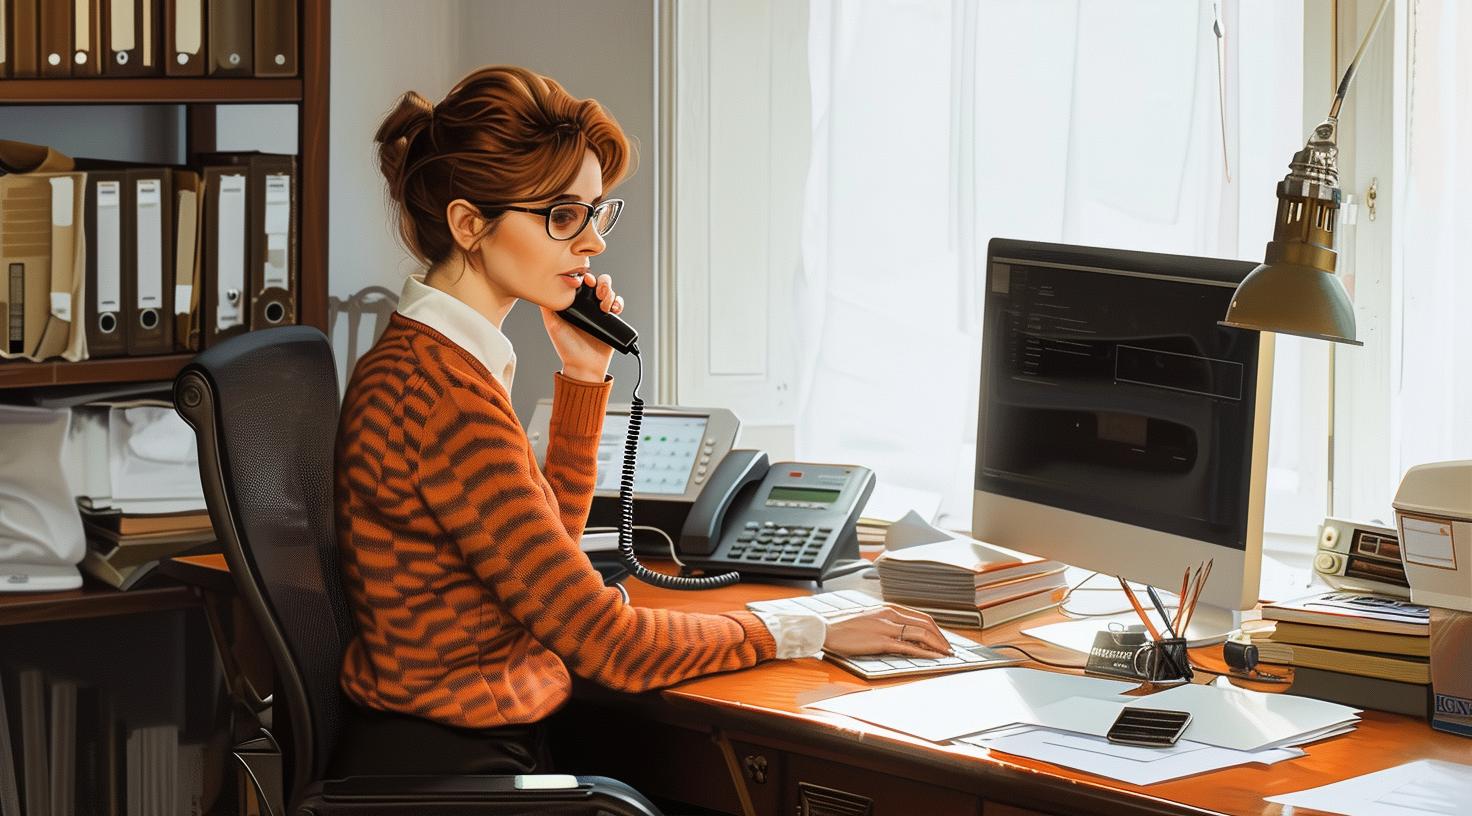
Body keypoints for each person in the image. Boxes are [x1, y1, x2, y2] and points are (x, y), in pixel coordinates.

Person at [330, 65, 950, 777]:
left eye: (596, 213)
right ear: (470, 224)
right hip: (455, 764)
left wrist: (583, 375)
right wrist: (810, 627)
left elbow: (549, 567)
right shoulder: (442, 395)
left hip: (467, 741)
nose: (592, 243)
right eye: (563, 216)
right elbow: (609, 644)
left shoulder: (434, 362)